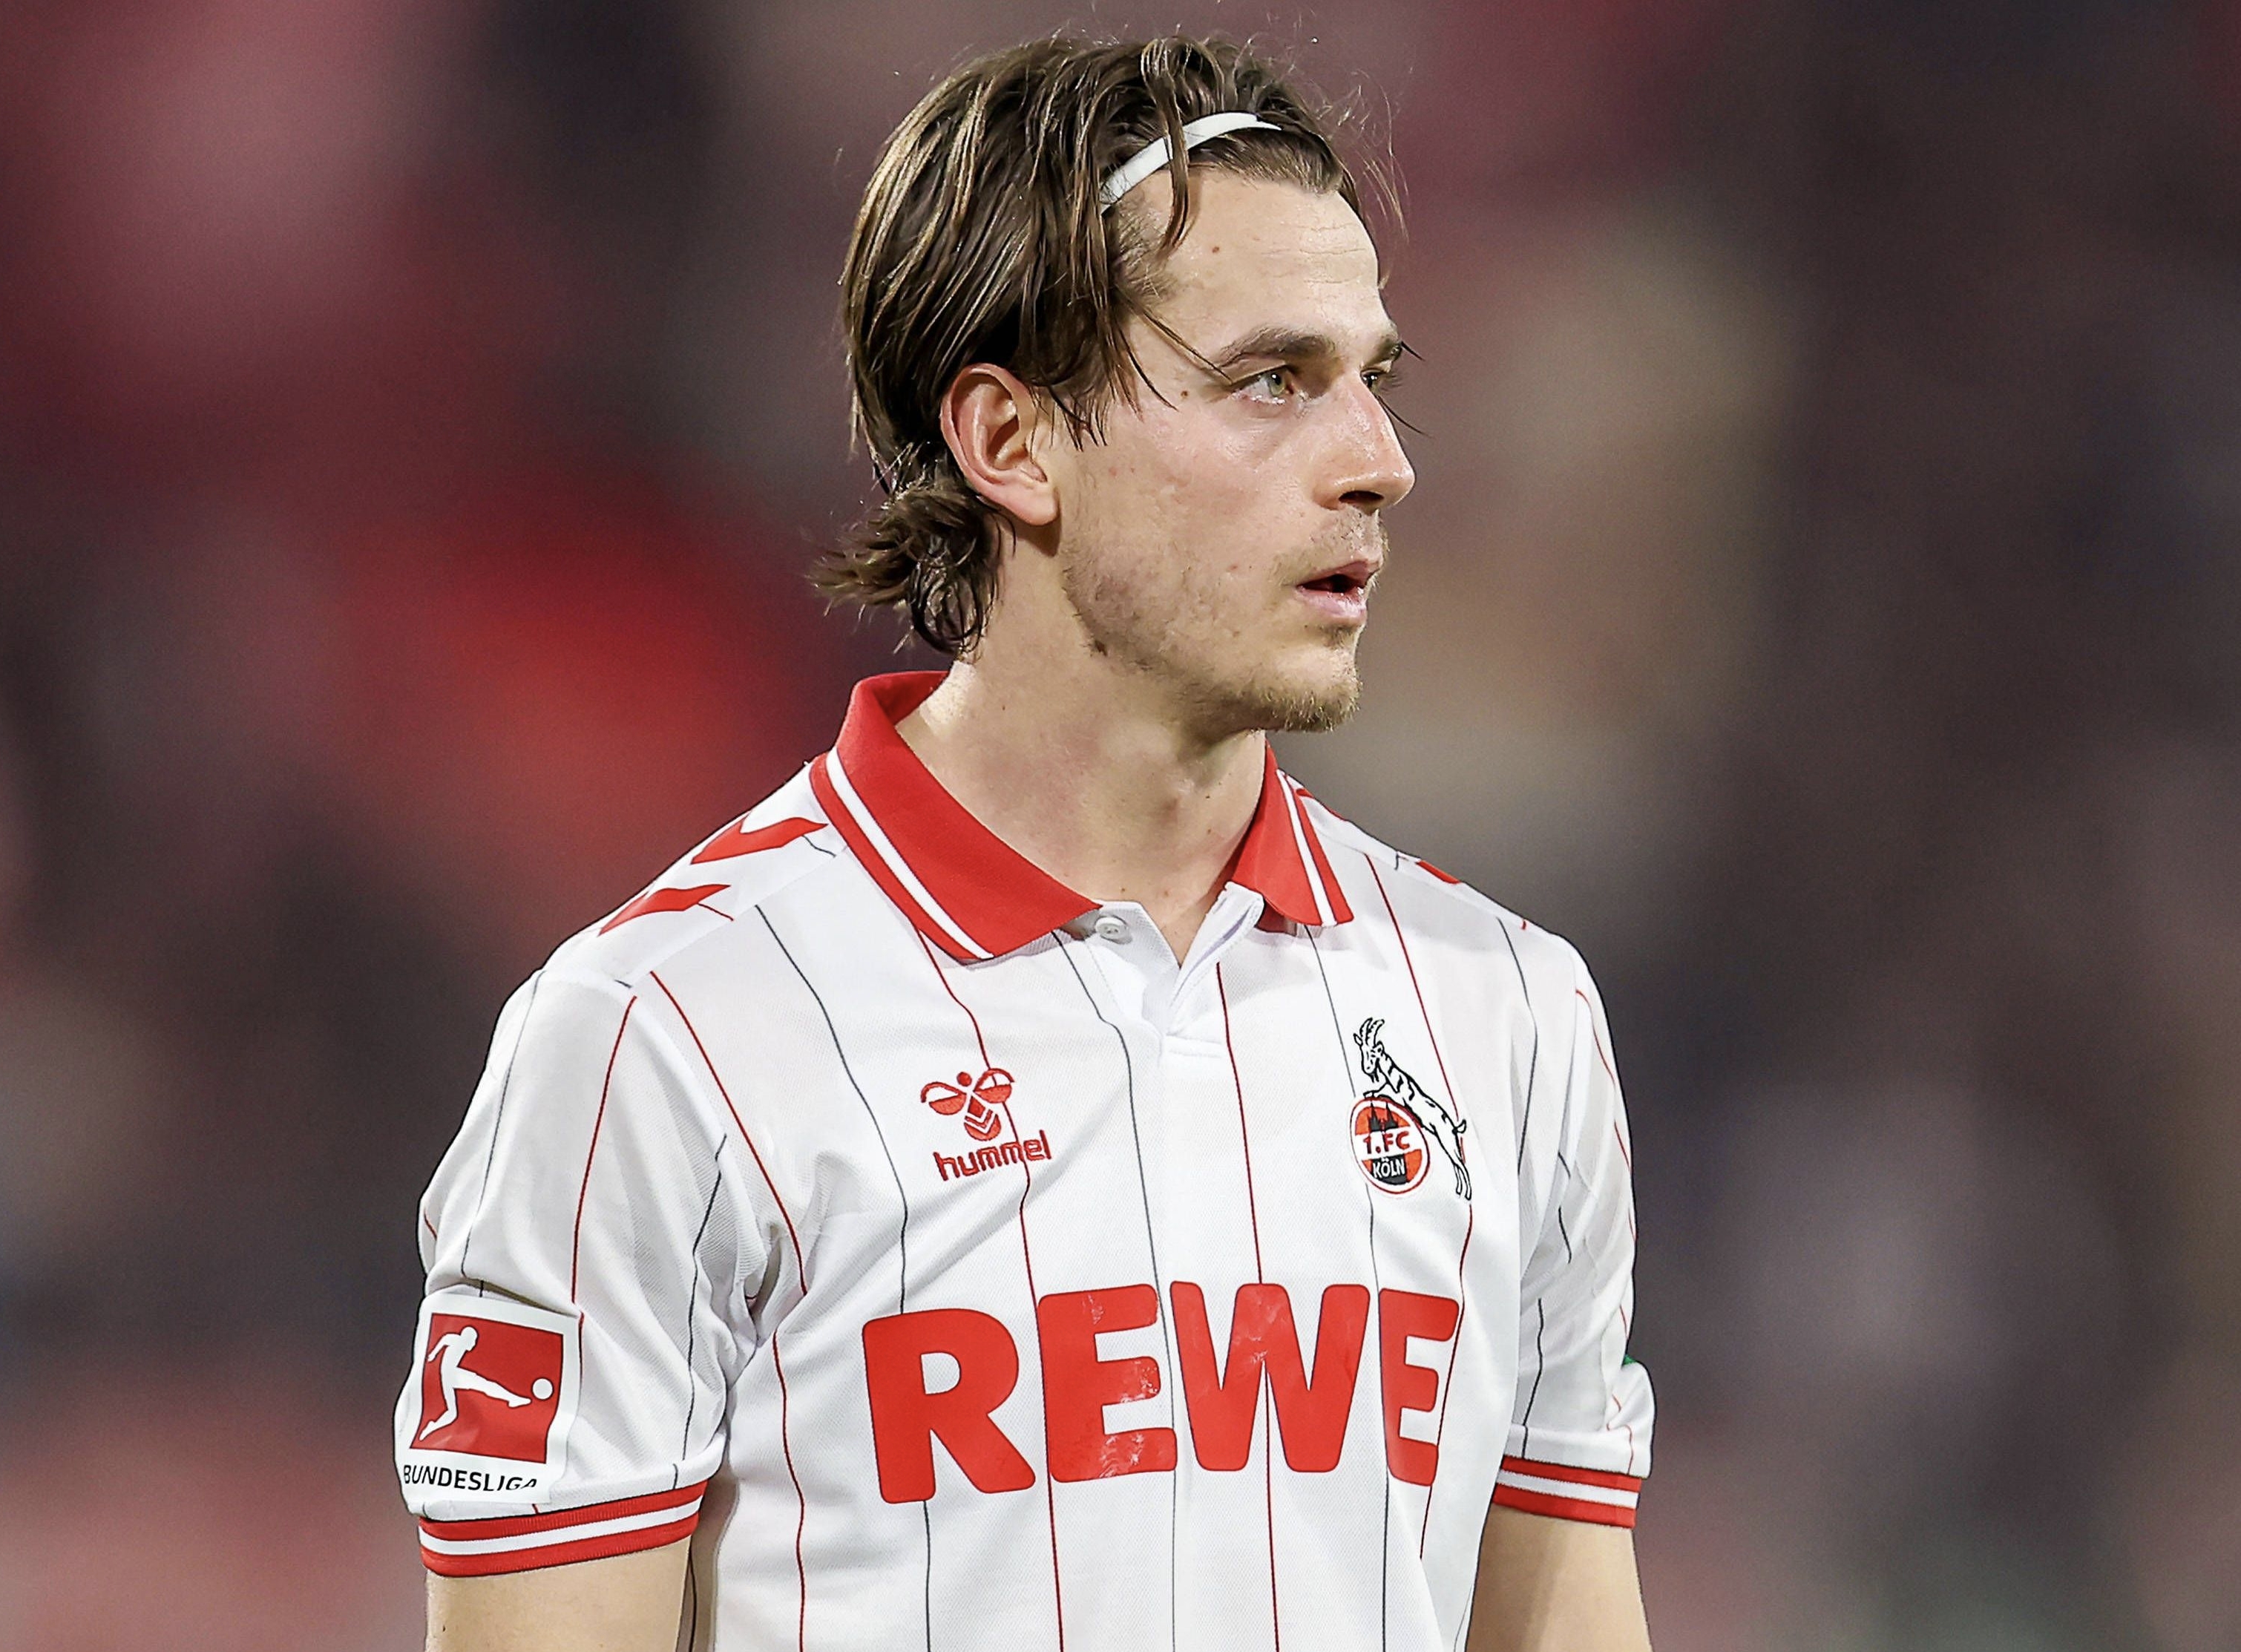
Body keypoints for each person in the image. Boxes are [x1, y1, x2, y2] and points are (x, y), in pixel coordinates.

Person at [395, 33, 1653, 1652]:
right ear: (1010, 442)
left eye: (1371, 380)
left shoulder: (1509, 1019)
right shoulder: (662, 1040)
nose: (1378, 463)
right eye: (1270, 381)